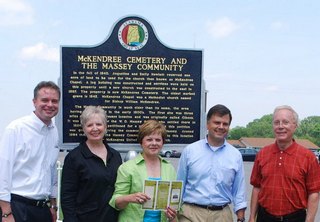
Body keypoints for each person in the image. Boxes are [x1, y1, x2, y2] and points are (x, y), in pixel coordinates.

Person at [0, 81, 61, 222]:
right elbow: (3, 171)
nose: (50, 105)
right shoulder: (16, 129)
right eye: (44, 100)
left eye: (54, 101)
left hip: (42, 209)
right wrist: (6, 213)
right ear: (34, 102)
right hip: (17, 207)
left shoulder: (54, 132)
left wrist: (53, 205)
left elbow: (52, 172)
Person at [249, 105, 320, 222]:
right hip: (265, 217)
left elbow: (314, 193)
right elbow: (256, 187)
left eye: (285, 122)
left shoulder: (308, 157)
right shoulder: (262, 154)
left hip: (295, 218)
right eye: (276, 122)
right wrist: (252, 217)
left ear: (295, 126)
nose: (280, 126)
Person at [177, 104, 247, 222]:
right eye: (217, 122)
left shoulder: (235, 155)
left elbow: (239, 190)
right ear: (207, 124)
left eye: (225, 124)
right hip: (191, 213)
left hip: (222, 215)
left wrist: (241, 218)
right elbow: (179, 184)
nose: (221, 127)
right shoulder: (190, 151)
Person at [61, 106, 122, 222]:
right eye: (89, 125)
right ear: (83, 129)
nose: (95, 129)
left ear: (105, 127)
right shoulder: (74, 157)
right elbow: (67, 197)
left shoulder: (115, 156)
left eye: (99, 124)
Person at [109, 119, 178, 222]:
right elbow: (116, 202)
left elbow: (173, 201)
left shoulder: (169, 168)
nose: (154, 143)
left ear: (163, 142)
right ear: (141, 142)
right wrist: (130, 198)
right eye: (149, 140)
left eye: (158, 140)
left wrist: (172, 215)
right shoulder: (127, 168)